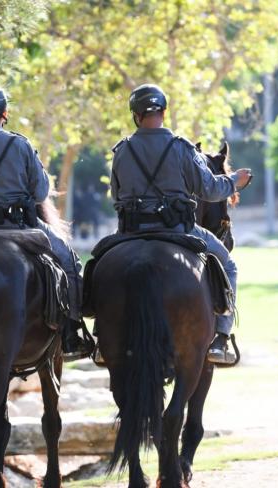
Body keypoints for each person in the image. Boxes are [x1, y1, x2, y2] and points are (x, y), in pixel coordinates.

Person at [0, 84, 92, 361]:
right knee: (70, 261)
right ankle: (72, 333)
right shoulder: (20, 145)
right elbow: (39, 193)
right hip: (20, 227)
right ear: (4, 113)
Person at [110, 84, 252, 364]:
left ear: (135, 116)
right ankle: (221, 339)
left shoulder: (122, 150)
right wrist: (235, 180)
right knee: (228, 265)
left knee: (96, 263)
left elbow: (116, 195)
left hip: (131, 230)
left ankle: (98, 338)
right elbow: (209, 190)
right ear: (163, 112)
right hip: (179, 228)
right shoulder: (181, 147)